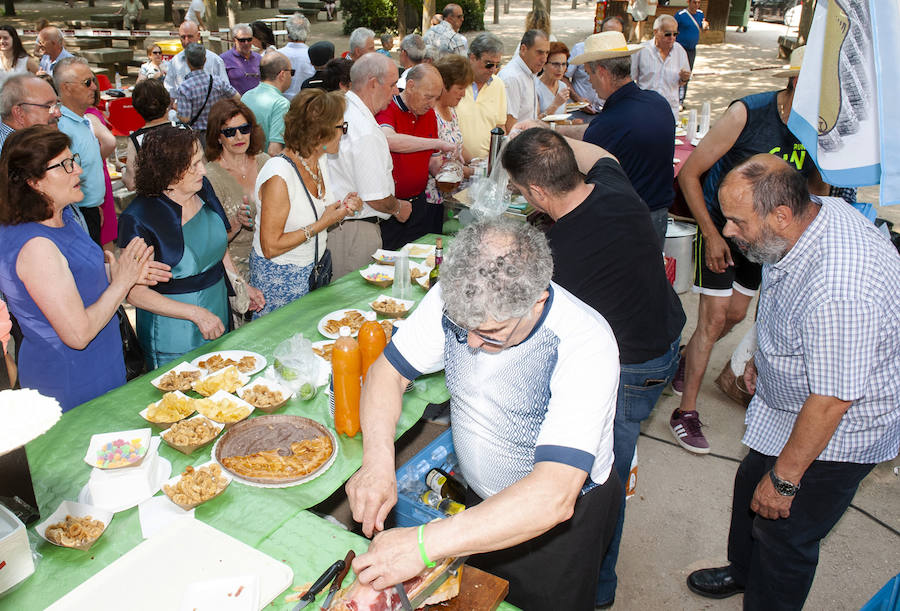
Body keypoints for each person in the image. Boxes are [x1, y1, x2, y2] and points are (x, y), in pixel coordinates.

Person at [345, 218, 622, 611]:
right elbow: (387, 373)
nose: (471, 344)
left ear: (537, 301)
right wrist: (376, 462)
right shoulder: (460, 296)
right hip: (481, 499)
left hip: (557, 521)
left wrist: (423, 543)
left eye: (491, 334)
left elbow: (552, 496)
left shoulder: (585, 344)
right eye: (462, 328)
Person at [685, 154, 900, 609]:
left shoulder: (841, 291)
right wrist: (763, 357)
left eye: (737, 221)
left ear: (781, 215)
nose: (727, 230)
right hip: (792, 401)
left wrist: (785, 481)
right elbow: (788, 295)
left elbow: (832, 400)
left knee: (784, 532)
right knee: (750, 487)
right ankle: (743, 571)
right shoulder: (811, 215)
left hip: (836, 431)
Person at [502, 127, 685, 609]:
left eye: (520, 191)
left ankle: (599, 587)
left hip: (630, 368)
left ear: (537, 192)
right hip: (664, 340)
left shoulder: (557, 256)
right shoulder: (613, 187)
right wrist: (541, 135)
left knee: (599, 480)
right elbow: (601, 152)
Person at [670, 47, 824, 454]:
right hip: (721, 228)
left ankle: (686, 358)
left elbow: (815, 190)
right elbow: (689, 173)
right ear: (796, 82)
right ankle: (685, 412)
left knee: (735, 316)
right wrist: (712, 234)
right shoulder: (747, 113)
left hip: (762, 241)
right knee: (712, 320)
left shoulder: (818, 127)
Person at [0, 126, 165, 411]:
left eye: (73, 159)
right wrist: (122, 282)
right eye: (65, 165)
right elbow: (78, 334)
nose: (78, 170)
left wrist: (124, 272)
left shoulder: (61, 216)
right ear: (34, 182)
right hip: (72, 378)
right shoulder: (36, 247)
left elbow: (79, 279)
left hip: (101, 362)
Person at [119, 125, 263, 368]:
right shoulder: (139, 218)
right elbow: (134, 292)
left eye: (201, 161)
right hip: (174, 330)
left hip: (216, 307)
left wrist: (240, 284)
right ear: (168, 170)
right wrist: (195, 313)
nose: (203, 170)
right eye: (193, 165)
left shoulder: (203, 188)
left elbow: (218, 247)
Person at [251, 89, 361, 316]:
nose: (343, 133)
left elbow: (318, 212)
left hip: (313, 271)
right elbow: (270, 247)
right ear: (320, 133)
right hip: (281, 279)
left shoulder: (318, 160)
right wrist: (323, 223)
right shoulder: (279, 175)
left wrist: (342, 209)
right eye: (341, 127)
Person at [567, 31, 675, 249]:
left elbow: (581, 180)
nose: (589, 81)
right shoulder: (658, 103)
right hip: (658, 218)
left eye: (588, 74)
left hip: (623, 225)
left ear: (602, 72)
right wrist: (552, 131)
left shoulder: (608, 123)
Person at [326, 53, 411, 279]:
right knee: (351, 297)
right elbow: (376, 196)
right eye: (392, 85)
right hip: (354, 231)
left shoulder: (341, 107)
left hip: (341, 227)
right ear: (373, 83)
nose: (396, 92)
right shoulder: (364, 129)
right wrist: (398, 208)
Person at [376, 64, 452, 249]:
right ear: (410, 86)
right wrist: (436, 143)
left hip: (419, 205)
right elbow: (389, 140)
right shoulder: (387, 107)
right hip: (390, 208)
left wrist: (448, 169)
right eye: (428, 97)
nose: (432, 104)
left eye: (436, 98)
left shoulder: (429, 114)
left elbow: (433, 161)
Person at [205, 99, 268, 283]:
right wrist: (234, 225)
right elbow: (207, 242)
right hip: (234, 270)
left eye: (244, 129)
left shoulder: (265, 162)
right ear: (218, 137)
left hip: (272, 261)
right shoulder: (209, 178)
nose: (239, 137)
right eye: (230, 132)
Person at [54, 57, 107, 246]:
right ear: (66, 88)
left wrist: (93, 205)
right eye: (87, 82)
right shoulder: (61, 128)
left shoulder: (82, 120)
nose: (94, 87)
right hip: (76, 215)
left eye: (94, 81)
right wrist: (82, 211)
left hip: (89, 210)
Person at [455, 32, 506, 161]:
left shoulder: (498, 85)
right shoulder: (455, 82)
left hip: (486, 164)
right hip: (456, 162)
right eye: (489, 64)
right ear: (472, 58)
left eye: (497, 65)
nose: (493, 69)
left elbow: (500, 126)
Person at [429, 53, 474, 197]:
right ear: (444, 85)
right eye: (460, 88)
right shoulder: (431, 114)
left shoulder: (451, 110)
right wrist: (471, 172)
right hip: (436, 196)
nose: (463, 94)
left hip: (454, 193)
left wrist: (476, 162)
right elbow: (435, 162)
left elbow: (459, 146)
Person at [631, 14, 691, 120]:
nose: (672, 38)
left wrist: (684, 78)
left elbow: (682, 82)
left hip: (669, 109)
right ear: (655, 32)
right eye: (667, 34)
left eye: (675, 34)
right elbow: (630, 80)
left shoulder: (680, 51)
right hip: (645, 109)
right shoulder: (641, 51)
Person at [175, 43, 239, 139]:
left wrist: (177, 112)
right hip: (217, 132)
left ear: (187, 62)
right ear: (205, 60)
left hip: (197, 135)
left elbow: (185, 118)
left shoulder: (185, 87)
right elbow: (237, 97)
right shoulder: (217, 81)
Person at [564, 17, 623, 115]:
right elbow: (563, 77)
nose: (610, 39)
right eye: (607, 34)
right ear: (600, 32)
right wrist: (578, 100)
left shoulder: (623, 57)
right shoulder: (580, 49)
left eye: (615, 36)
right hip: (579, 111)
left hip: (608, 112)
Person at [123, 79, 173, 191]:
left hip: (157, 199)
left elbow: (131, 183)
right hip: (188, 197)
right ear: (167, 100)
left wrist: (122, 168)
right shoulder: (184, 129)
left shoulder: (137, 139)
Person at [85, 88, 118, 251]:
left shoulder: (88, 116)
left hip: (93, 176)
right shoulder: (94, 113)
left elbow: (110, 142)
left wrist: (94, 160)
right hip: (99, 174)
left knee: (102, 235)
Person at [241, 51, 292, 156]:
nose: (292, 77)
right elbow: (274, 151)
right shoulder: (281, 104)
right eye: (292, 72)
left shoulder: (246, 96)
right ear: (282, 74)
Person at [498, 30, 549, 132]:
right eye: (539, 52)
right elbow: (510, 127)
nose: (544, 59)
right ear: (523, 49)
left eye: (547, 53)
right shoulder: (512, 78)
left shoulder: (530, 73)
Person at [0, 73, 62, 153]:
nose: (58, 113)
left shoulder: (43, 137)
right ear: (19, 113)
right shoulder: (6, 153)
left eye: (57, 104)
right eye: (48, 106)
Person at [164, 21, 228, 93]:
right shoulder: (175, 61)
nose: (187, 41)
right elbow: (169, 88)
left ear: (198, 36)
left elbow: (225, 88)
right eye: (183, 37)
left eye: (190, 37)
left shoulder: (215, 60)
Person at [675, 0, 708, 106]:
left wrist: (705, 26)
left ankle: (681, 100)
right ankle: (675, 98)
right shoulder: (680, 15)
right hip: (680, 49)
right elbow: (673, 30)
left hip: (692, 49)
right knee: (677, 73)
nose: (697, 5)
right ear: (688, 2)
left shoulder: (700, 14)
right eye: (694, 2)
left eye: (699, 2)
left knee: (687, 74)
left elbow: (703, 29)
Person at [280, 14, 314, 100]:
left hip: (282, 100)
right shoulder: (313, 55)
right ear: (307, 32)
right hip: (306, 101)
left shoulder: (277, 54)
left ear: (288, 31)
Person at [221, 24, 261, 95]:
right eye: (242, 40)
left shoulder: (259, 58)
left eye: (249, 39)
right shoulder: (223, 60)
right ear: (234, 40)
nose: (246, 43)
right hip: (236, 101)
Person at [537, 41, 570, 117]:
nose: (560, 69)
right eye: (555, 64)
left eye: (563, 64)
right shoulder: (534, 88)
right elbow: (533, 121)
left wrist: (572, 122)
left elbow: (563, 117)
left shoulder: (563, 86)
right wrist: (555, 105)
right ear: (544, 64)